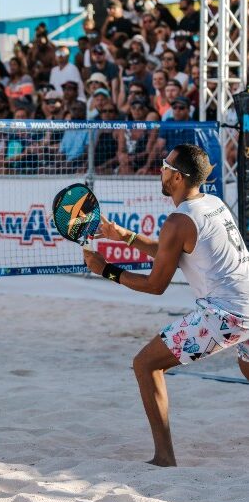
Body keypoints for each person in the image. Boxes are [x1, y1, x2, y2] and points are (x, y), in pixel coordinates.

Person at [83, 144, 249, 467]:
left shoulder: (178, 220)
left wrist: (106, 270)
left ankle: (164, 458)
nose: (160, 169)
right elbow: (172, 251)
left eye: (165, 165)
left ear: (177, 176)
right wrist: (125, 237)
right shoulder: (213, 203)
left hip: (226, 314)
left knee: (145, 364)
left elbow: (156, 285)